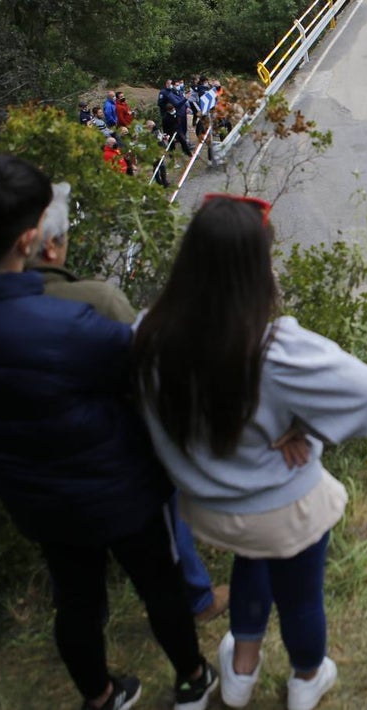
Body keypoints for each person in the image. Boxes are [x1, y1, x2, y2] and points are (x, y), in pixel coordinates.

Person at [0, 154, 218, 710]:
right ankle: (193, 678)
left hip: (31, 494)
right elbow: (156, 384)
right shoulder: (73, 324)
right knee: (160, 585)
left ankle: (101, 697)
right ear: (33, 239)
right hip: (122, 490)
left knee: (75, 600)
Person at [131, 194, 367, 710]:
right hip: (280, 508)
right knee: (299, 598)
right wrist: (307, 426)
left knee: (253, 558)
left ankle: (241, 673)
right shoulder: (273, 348)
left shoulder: (148, 334)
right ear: (255, 270)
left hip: (208, 509)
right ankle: (306, 680)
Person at [26, 181, 227, 620]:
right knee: (163, 526)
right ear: (51, 248)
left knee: (73, 578)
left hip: (37, 466)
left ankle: (86, 641)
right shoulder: (95, 300)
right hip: (112, 454)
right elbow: (146, 365)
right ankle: (196, 598)